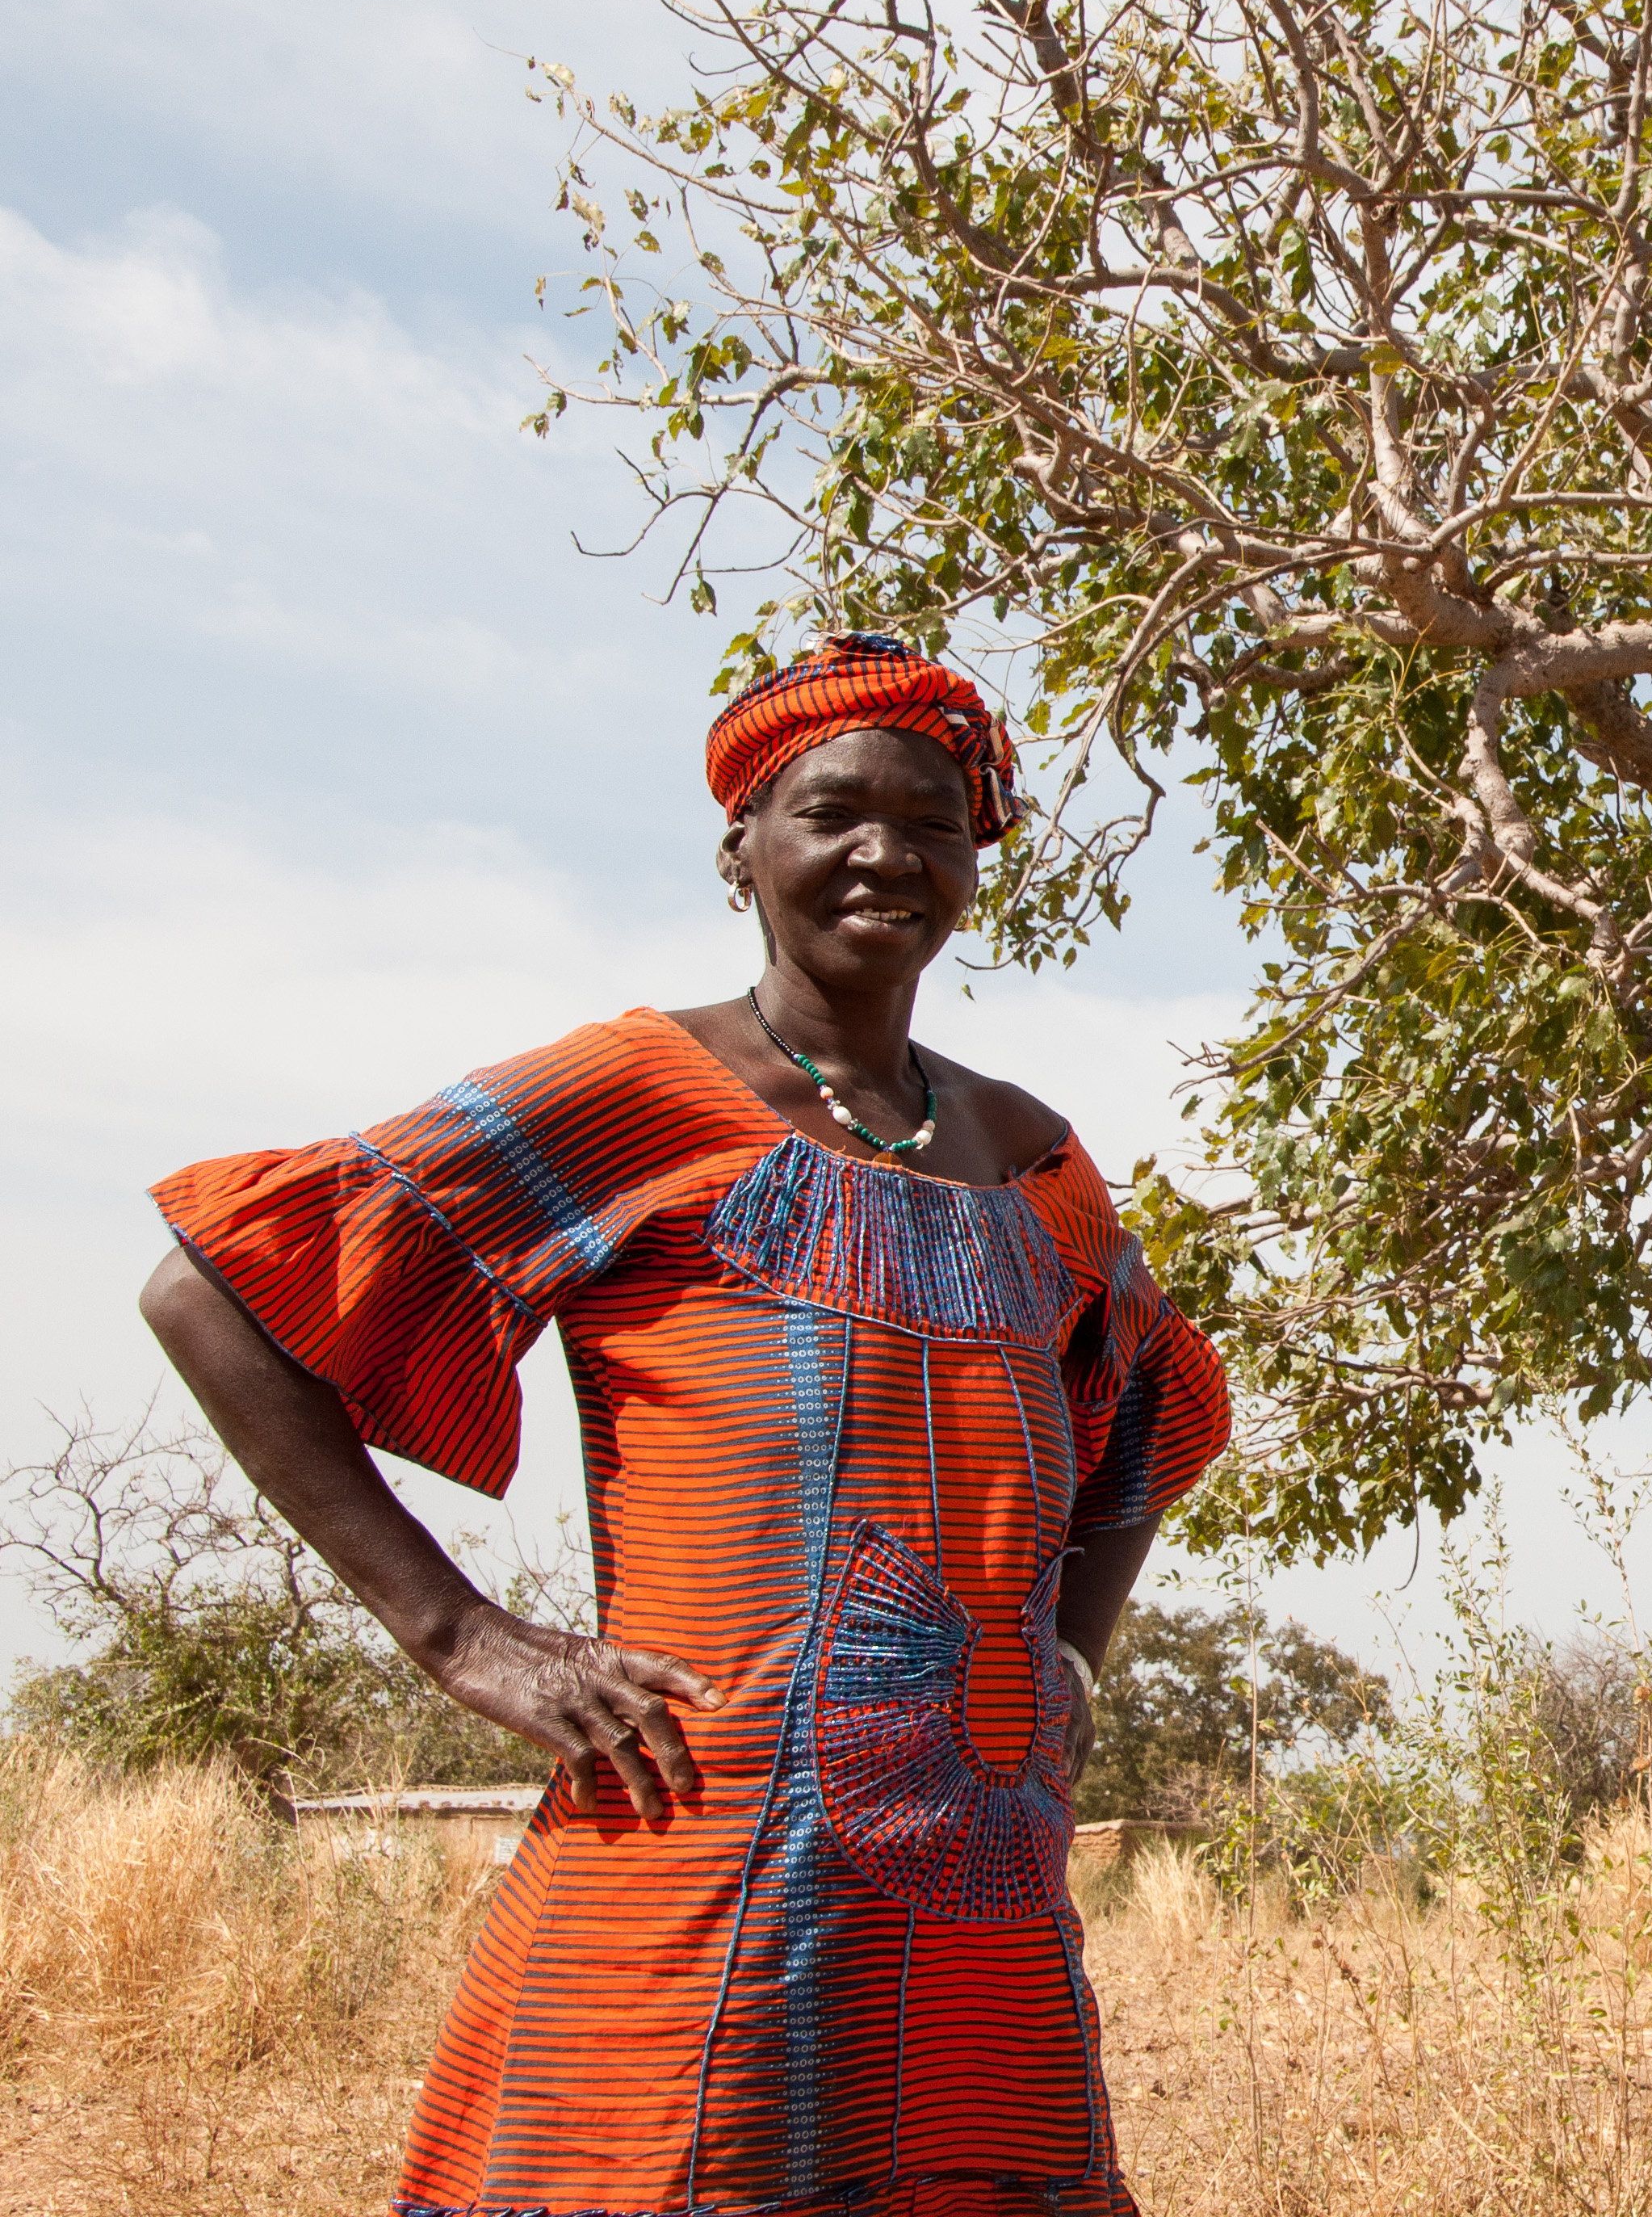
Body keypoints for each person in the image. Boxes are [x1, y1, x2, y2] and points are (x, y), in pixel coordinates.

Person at [137, 633, 1227, 2217]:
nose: (886, 855)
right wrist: (459, 1633)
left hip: (979, 1876)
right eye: (831, 813)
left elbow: (1151, 1406)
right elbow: (217, 1293)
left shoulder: (1030, 1153)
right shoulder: (633, 1092)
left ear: (974, 859)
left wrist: (1068, 1661)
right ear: (741, 848)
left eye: (932, 821)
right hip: (696, 1832)